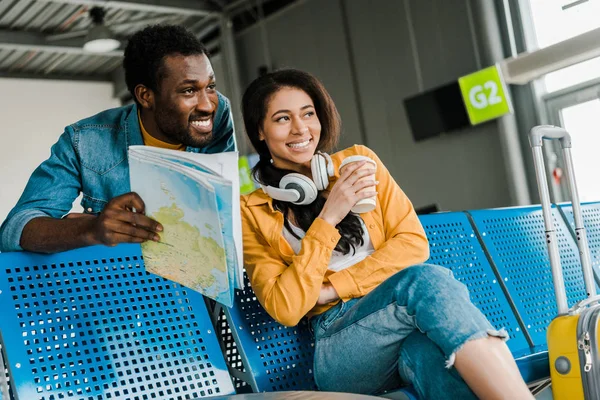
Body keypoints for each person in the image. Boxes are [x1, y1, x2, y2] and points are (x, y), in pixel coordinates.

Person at [239, 69, 533, 400]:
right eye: (282, 119)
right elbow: (287, 307)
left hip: (401, 327)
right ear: (260, 131)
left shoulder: (359, 163)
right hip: (341, 345)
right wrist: (329, 216)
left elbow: (413, 244)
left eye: (308, 113)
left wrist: (332, 287)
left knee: (429, 356)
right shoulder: (250, 211)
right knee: (426, 281)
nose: (300, 128)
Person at [0, 24, 235, 253]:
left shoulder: (219, 113)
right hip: (128, 284)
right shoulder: (86, 141)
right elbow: (15, 229)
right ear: (145, 96)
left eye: (211, 86)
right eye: (189, 90)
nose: (206, 104)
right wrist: (91, 229)